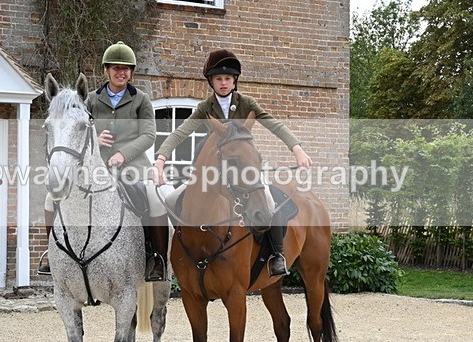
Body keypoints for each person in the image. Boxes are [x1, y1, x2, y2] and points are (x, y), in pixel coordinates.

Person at [152, 49, 312, 277]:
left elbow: (274, 124)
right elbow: (181, 133)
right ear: (211, 82)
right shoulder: (205, 107)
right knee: (170, 200)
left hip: (244, 166)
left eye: (227, 78)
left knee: (268, 201)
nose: (223, 83)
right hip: (212, 169)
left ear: (234, 80)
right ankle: (172, 254)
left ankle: (277, 254)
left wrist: (297, 148)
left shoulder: (246, 103)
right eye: (218, 78)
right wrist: (161, 159)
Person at [40, 41, 169, 281]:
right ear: (106, 70)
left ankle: (158, 259)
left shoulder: (141, 100)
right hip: (94, 169)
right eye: (116, 68)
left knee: (154, 197)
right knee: (51, 198)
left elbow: (149, 135)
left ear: (131, 72)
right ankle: (52, 253)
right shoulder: (89, 99)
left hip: (133, 168)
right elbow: (76, 127)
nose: (121, 73)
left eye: (126, 68)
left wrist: (124, 154)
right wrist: (96, 140)